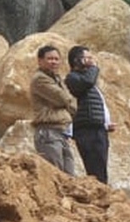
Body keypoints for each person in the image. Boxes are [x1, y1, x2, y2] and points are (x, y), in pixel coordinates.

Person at [65, 45, 116, 184]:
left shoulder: (88, 82)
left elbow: (94, 104)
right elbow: (87, 82)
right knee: (95, 170)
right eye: (87, 58)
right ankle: (99, 200)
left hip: (98, 129)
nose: (91, 61)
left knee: (101, 168)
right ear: (77, 60)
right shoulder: (73, 78)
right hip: (87, 131)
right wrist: (94, 67)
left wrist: (105, 123)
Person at [29, 44, 77, 175]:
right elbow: (63, 98)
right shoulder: (40, 79)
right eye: (50, 59)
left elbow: (68, 100)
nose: (54, 62)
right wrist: (68, 103)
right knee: (55, 174)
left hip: (61, 132)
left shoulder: (57, 78)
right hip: (48, 132)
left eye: (56, 59)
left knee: (69, 176)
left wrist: (68, 103)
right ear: (40, 60)